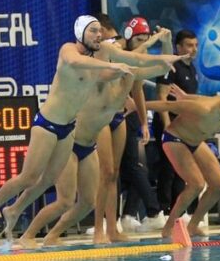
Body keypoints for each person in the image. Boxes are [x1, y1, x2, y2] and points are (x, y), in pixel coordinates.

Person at [0, 16, 185, 239]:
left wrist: (167, 53)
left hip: (69, 130)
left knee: (53, 184)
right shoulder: (69, 50)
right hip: (47, 124)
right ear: (80, 33)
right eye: (93, 31)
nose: (98, 35)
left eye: (99, 31)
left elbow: (139, 60)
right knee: (29, 178)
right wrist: (112, 63)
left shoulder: (104, 69)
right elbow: (76, 62)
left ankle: (14, 211)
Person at [17, 23, 169, 248]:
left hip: (91, 144)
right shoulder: (95, 75)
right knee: (65, 201)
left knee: (92, 196)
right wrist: (148, 43)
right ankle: (28, 234)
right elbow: (106, 61)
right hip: (70, 143)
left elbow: (157, 67)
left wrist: (166, 44)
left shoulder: (127, 75)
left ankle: (54, 235)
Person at [146, 83, 220, 237]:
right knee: (196, 184)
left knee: (218, 185)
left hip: (195, 141)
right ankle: (168, 228)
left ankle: (193, 226)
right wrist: (136, 106)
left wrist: (186, 96)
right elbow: (168, 105)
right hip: (174, 139)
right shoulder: (206, 109)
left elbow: (203, 98)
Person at [113, 17, 168, 232]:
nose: (142, 45)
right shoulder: (116, 50)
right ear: (127, 36)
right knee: (125, 167)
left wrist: (144, 122)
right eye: (139, 40)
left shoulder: (137, 57)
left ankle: (151, 212)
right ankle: (126, 216)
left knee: (129, 165)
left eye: (145, 41)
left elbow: (138, 91)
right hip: (112, 114)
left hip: (125, 116)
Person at [154, 29, 199, 214]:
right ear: (178, 47)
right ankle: (163, 209)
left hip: (183, 126)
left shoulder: (191, 69)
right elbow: (161, 96)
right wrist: (167, 127)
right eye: (189, 45)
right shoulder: (170, 66)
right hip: (169, 123)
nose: (194, 49)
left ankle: (178, 210)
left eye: (196, 45)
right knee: (168, 168)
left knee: (181, 169)